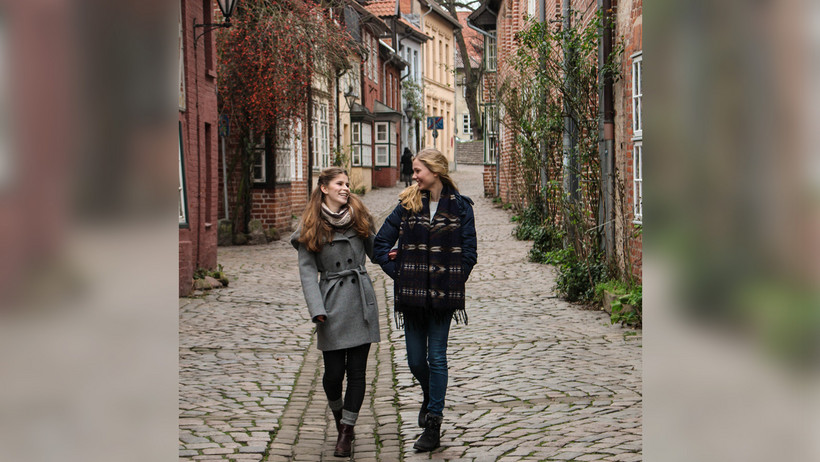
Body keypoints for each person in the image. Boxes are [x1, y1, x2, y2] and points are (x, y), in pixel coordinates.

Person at [373, 148, 477, 452]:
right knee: (416, 360)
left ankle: (433, 422)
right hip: (412, 296)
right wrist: (400, 274)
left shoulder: (460, 207)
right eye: (415, 170)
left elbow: (469, 253)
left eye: (418, 170)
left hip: (444, 299)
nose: (414, 174)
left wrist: (454, 281)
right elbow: (381, 244)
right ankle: (430, 395)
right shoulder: (407, 204)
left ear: (435, 171)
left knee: (437, 358)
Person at [290, 167, 380, 458]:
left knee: (356, 372)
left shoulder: (360, 217)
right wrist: (317, 309)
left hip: (360, 299)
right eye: (340, 184)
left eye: (347, 184)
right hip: (330, 305)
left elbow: (377, 252)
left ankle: (346, 430)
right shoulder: (311, 225)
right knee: (332, 375)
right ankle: (340, 414)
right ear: (324, 188)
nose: (345, 188)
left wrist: (397, 244)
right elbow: (306, 273)